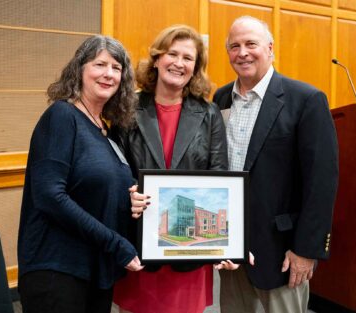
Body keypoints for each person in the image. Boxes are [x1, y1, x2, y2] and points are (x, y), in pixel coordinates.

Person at [213, 16, 339, 313]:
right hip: (232, 249)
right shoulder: (220, 99)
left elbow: (322, 182)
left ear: (270, 49)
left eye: (251, 44)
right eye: (235, 46)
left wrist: (306, 250)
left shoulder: (306, 99)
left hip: (282, 250)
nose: (242, 52)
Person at [17, 35, 143, 313]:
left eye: (116, 68)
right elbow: (50, 196)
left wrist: (131, 199)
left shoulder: (104, 128)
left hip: (95, 268)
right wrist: (115, 243)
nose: (108, 74)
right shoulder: (62, 116)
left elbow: (96, 189)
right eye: (100, 64)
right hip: (58, 269)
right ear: (80, 69)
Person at [113, 25, 228, 313]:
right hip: (140, 239)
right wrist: (128, 194)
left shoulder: (209, 113)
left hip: (188, 249)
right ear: (156, 59)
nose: (179, 63)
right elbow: (115, 169)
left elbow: (219, 174)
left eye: (188, 58)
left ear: (195, 68)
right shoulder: (127, 107)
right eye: (172, 54)